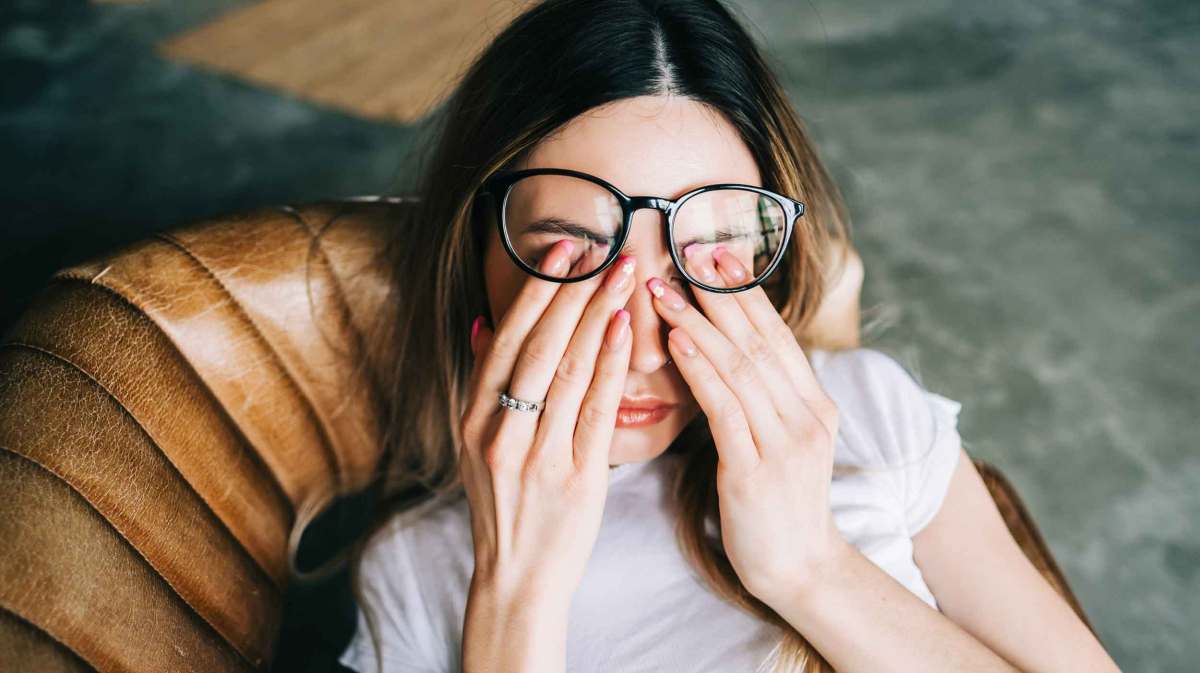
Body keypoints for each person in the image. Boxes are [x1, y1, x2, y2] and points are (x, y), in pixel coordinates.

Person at [337, 1, 1120, 671]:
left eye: (703, 255)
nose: (645, 349)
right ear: (476, 261)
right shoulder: (416, 569)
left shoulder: (866, 411)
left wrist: (810, 567)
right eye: (569, 258)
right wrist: (517, 594)